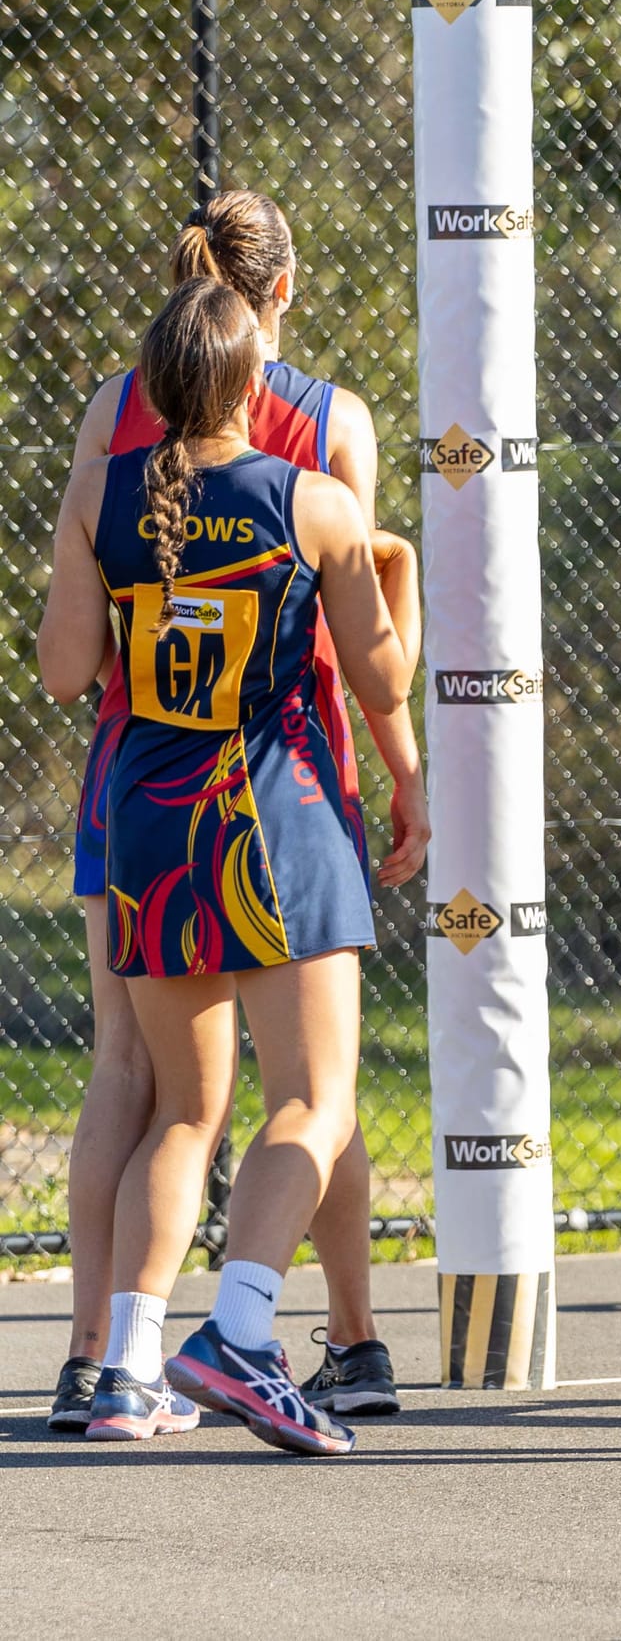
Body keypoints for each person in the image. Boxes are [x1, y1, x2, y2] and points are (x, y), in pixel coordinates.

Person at [36, 273, 426, 1454]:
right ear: (256, 383)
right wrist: (398, 572)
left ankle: (124, 1367)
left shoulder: (100, 494)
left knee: (184, 1110)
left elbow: (64, 672)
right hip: (276, 815)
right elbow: (381, 676)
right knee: (313, 1097)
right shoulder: (311, 500)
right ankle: (244, 1330)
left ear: (153, 386)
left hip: (149, 821)